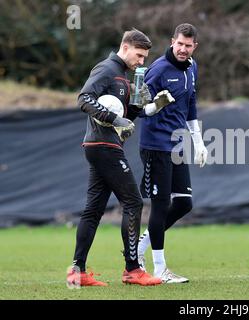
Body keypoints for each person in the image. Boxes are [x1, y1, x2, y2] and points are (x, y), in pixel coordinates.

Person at [66, 28, 173, 287]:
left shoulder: (124, 76)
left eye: (144, 57)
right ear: (125, 47)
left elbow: (128, 119)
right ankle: (133, 269)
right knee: (134, 203)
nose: (141, 61)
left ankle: (77, 271)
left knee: (93, 210)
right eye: (139, 55)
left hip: (103, 145)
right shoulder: (106, 69)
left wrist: (149, 106)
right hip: (103, 146)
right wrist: (114, 117)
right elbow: (84, 99)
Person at [136, 23, 208, 284]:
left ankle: (138, 250)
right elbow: (139, 106)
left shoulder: (192, 67)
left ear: (194, 47)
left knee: (184, 203)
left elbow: (191, 106)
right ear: (172, 42)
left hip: (177, 146)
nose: (183, 49)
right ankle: (159, 269)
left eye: (188, 46)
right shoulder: (158, 70)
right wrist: (154, 105)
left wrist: (199, 143)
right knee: (160, 205)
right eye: (180, 44)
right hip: (156, 145)